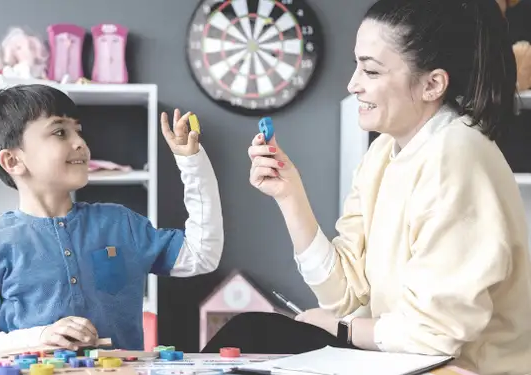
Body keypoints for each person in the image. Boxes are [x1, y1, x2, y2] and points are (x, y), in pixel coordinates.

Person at [204, 0, 531, 374]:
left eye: (370, 71)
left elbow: (435, 334)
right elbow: (343, 295)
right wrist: (290, 195)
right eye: (357, 65)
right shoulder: (383, 154)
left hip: (459, 368)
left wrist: (340, 329)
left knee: (255, 333)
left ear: (432, 84)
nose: (352, 84)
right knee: (251, 331)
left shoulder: (458, 155)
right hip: (407, 360)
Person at [0, 84, 224, 356]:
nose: (81, 143)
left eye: (77, 131)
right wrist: (41, 337)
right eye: (60, 132)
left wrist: (192, 162)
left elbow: (201, 255)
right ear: (12, 161)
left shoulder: (120, 223)